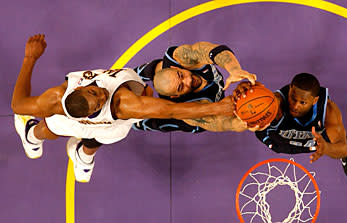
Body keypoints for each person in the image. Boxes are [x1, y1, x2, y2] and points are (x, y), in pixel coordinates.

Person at [11, 34, 236, 182]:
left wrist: (30, 58)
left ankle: (81, 154)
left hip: (104, 126)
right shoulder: (125, 104)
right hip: (108, 121)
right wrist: (216, 108)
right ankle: (31, 134)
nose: (102, 94)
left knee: (96, 138)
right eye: (98, 101)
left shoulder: (61, 94)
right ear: (93, 111)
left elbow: (17, 103)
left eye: (93, 91)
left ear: (79, 89)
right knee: (53, 128)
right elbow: (172, 111)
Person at [186, 73, 347, 183]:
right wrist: (244, 94)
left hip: (316, 139)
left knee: (337, 140)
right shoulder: (274, 102)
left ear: (314, 101)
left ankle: (345, 152)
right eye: (293, 98)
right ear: (290, 89)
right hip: (280, 138)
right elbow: (259, 94)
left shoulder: (329, 110)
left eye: (303, 102)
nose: (296, 105)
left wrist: (327, 148)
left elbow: (341, 149)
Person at [132, 41, 256, 133]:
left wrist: (234, 70)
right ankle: (139, 123)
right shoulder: (187, 110)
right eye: (181, 87)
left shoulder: (181, 58)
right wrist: (240, 123)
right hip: (185, 110)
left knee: (159, 69)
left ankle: (139, 74)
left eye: (181, 75)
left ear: (175, 68)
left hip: (165, 69)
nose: (188, 80)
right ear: (176, 95)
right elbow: (219, 122)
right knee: (163, 120)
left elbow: (212, 51)